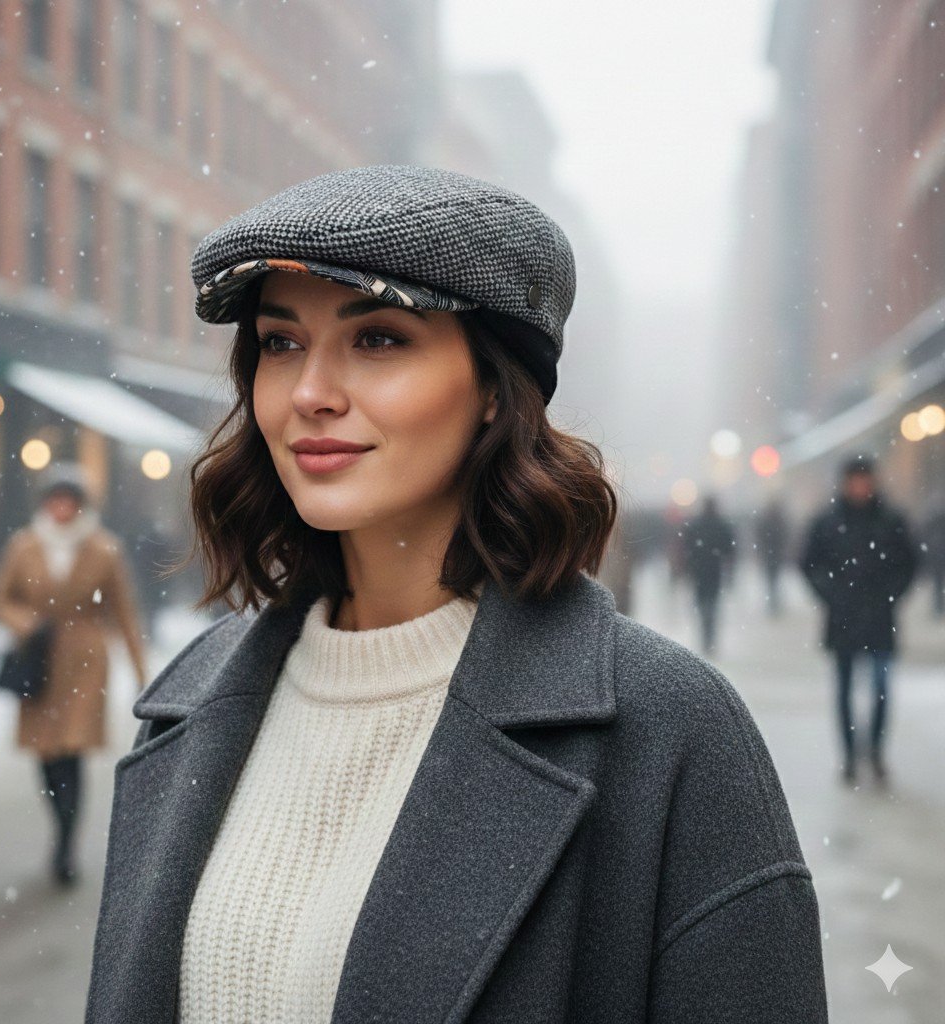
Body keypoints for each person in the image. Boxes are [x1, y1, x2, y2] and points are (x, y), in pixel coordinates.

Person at [85, 165, 828, 1024]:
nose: (312, 394)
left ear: (491, 390)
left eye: (379, 339)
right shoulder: (190, 706)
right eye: (281, 343)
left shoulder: (669, 731)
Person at [0, 463, 148, 885]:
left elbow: (125, 611)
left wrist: (140, 669)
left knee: (72, 750)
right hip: (38, 661)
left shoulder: (104, 549)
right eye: (55, 500)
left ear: (80, 506)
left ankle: (65, 844)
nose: (61, 508)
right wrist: (26, 623)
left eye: (69, 501)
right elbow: (1, 599)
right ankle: (59, 823)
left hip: (85, 660)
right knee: (46, 754)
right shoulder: (23, 545)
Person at [799, 454, 919, 787]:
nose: (860, 486)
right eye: (855, 480)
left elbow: (909, 563)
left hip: (880, 619)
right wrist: (832, 595)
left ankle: (876, 751)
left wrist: (890, 596)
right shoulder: (828, 521)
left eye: (865, 479)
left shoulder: (891, 519)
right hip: (844, 619)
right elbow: (809, 564)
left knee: (881, 688)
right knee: (844, 689)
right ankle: (850, 756)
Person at [682, 494, 736, 656]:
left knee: (703, 604)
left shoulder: (695, 525)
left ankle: (706, 636)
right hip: (713, 571)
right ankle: (709, 637)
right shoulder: (721, 525)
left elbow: (687, 547)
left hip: (700, 571)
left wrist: (688, 565)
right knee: (711, 605)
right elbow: (729, 549)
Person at [755, 498, 789, 616]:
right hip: (774, 554)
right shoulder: (779, 521)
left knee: (772, 579)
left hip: (771, 555)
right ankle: (774, 601)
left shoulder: (767, 522)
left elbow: (760, 537)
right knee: (774, 578)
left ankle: (773, 601)